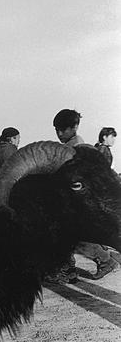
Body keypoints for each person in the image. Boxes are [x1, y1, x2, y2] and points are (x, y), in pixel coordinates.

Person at [49, 109, 118, 282]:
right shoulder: (73, 146)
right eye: (57, 129)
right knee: (70, 236)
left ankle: (103, 260)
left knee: (75, 237)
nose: (59, 133)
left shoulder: (76, 148)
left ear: (74, 127)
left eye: (62, 129)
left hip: (77, 201)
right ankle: (69, 268)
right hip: (73, 200)